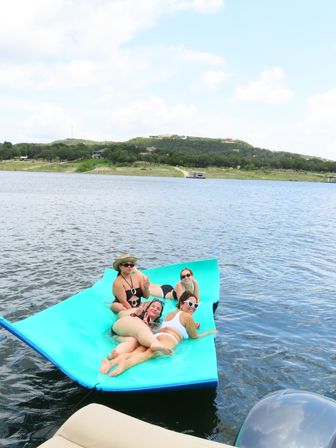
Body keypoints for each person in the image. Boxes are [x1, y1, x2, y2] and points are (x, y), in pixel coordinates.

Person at [102, 291, 217, 376]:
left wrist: (193, 325)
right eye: (190, 304)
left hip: (156, 336)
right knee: (149, 354)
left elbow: (176, 325)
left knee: (138, 350)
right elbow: (194, 337)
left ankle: (111, 363)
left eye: (196, 305)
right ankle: (125, 365)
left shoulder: (170, 314)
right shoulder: (187, 317)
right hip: (170, 339)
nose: (193, 307)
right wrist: (209, 333)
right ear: (181, 303)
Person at [100, 299, 165, 374]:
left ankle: (112, 356)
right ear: (147, 308)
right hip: (120, 330)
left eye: (158, 309)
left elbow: (152, 335)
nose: (155, 309)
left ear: (159, 314)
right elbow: (129, 320)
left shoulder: (157, 324)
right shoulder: (141, 314)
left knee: (133, 342)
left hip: (121, 336)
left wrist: (148, 325)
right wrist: (136, 315)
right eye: (153, 306)